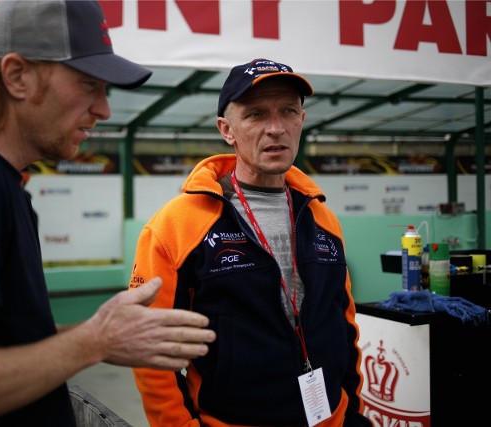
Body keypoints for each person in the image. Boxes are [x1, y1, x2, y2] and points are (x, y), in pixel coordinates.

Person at [0, 1, 215, 426]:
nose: (104, 109)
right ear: (17, 76)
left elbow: (3, 347)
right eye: (90, 84)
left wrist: (103, 336)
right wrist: (94, 340)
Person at [129, 58, 372, 427]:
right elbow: (149, 349)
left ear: (301, 121)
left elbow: (345, 327)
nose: (276, 128)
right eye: (256, 115)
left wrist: (353, 413)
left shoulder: (323, 219)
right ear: (227, 130)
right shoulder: (178, 225)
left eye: (288, 111)